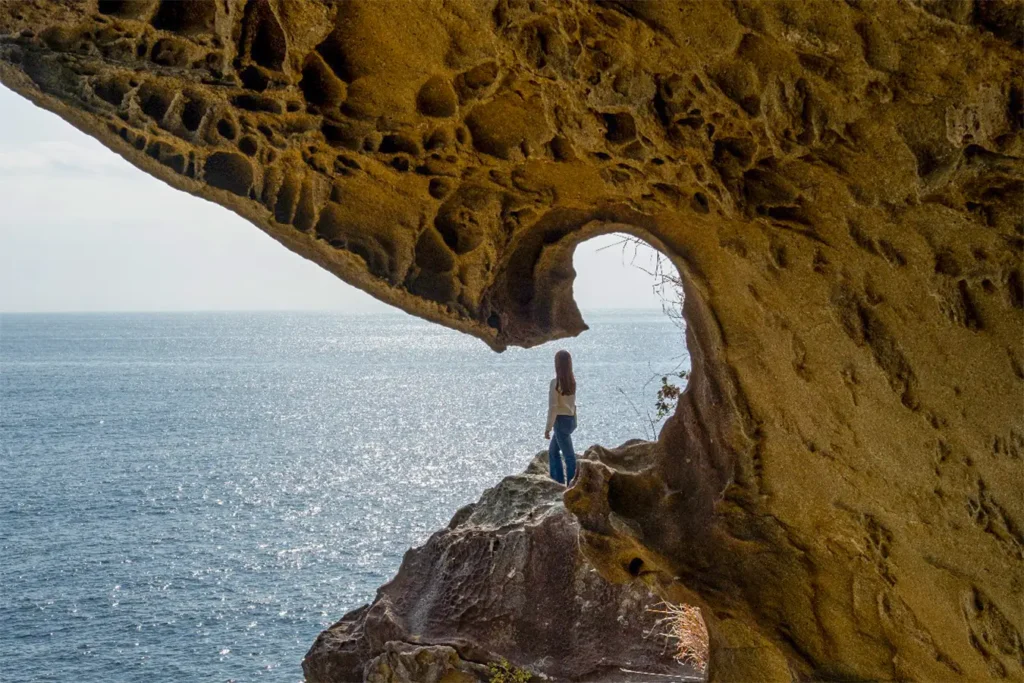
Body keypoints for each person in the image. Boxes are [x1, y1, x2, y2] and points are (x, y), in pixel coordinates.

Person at [545, 349, 577, 485]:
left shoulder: (555, 383)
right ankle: (557, 482)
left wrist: (548, 428)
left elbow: (553, 408)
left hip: (560, 421)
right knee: (553, 451)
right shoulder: (572, 382)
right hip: (571, 419)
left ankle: (571, 484)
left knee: (569, 456)